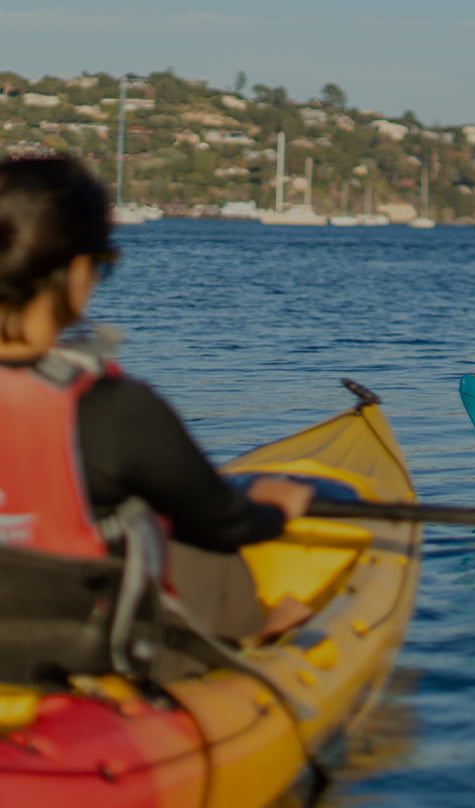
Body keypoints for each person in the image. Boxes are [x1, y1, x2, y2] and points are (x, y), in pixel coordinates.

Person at [0, 154, 313, 642]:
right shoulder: (116, 411)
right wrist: (276, 511)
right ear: (78, 270)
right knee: (196, 543)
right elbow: (225, 522)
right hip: (84, 659)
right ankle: (254, 637)